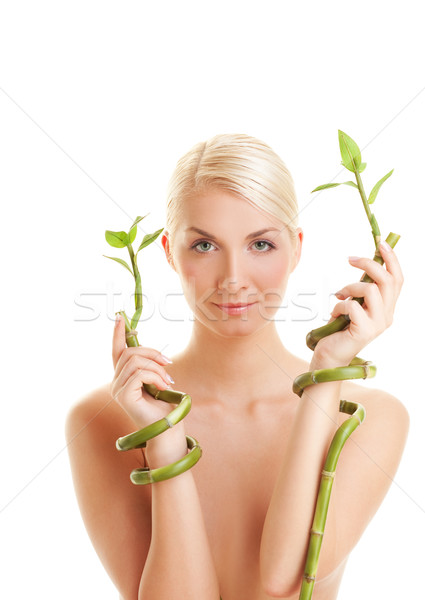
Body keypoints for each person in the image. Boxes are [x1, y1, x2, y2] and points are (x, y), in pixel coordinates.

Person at [65, 133, 409, 600]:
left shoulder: (370, 418)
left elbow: (283, 580)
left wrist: (327, 373)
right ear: (168, 252)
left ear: (296, 248)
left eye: (261, 244)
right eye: (204, 246)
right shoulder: (104, 420)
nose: (232, 279)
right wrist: (165, 447)